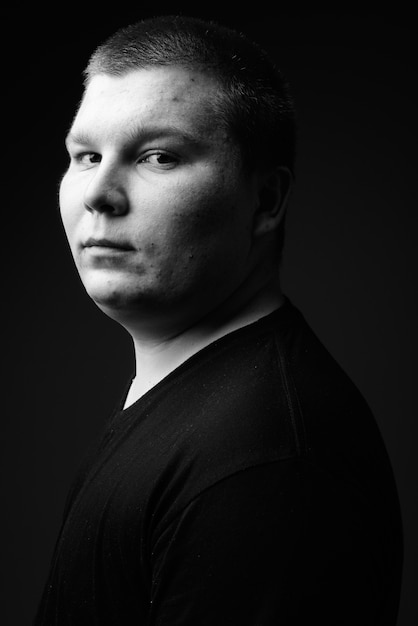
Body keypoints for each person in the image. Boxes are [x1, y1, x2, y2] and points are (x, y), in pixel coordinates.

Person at [34, 14, 403, 625]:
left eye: (158, 156)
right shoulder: (194, 403)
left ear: (265, 201)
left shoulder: (267, 462)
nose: (100, 192)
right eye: (87, 155)